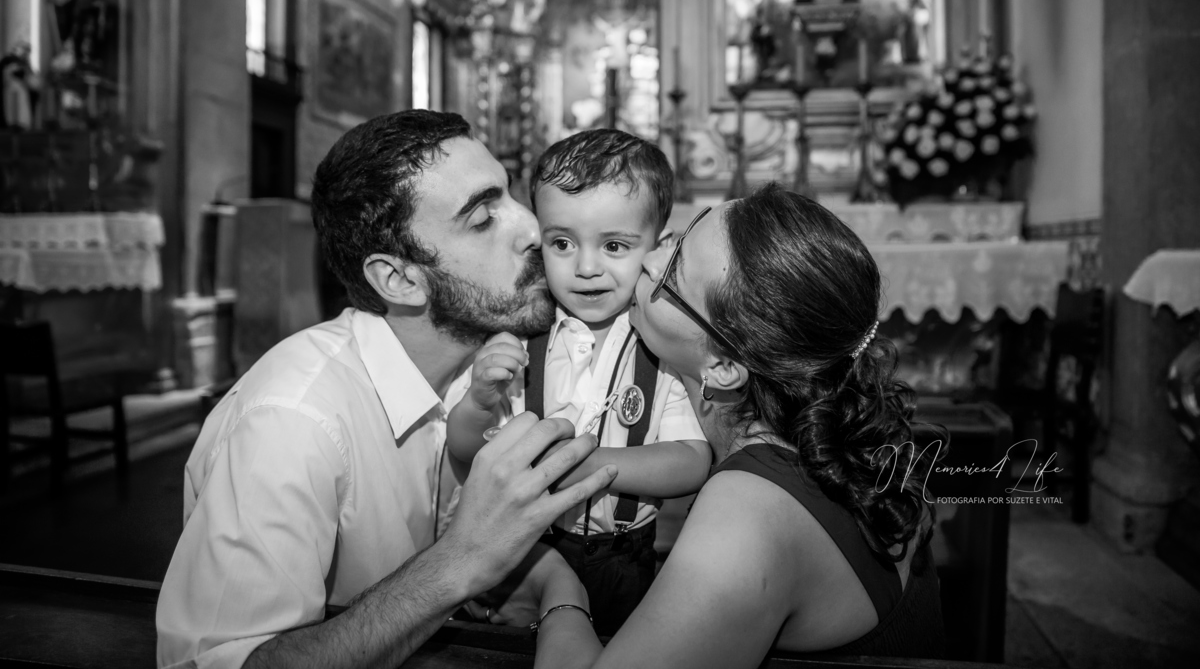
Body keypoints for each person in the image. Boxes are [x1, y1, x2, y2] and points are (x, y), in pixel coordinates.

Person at [156, 110, 617, 669]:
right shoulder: (292, 423)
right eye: (482, 218)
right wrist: (459, 563)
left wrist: (558, 589)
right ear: (399, 279)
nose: (532, 229)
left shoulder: (494, 369)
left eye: (511, 195)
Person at [526, 183, 946, 667]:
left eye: (672, 273)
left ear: (723, 367)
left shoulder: (746, 516)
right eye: (676, 240)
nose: (647, 261)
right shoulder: (841, 443)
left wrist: (555, 587)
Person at [445, 129, 710, 635]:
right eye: (562, 243)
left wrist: (586, 464)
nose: (586, 268)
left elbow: (691, 462)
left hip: (623, 558)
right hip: (527, 552)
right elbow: (464, 450)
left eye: (614, 245)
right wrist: (479, 401)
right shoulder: (520, 341)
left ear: (659, 247)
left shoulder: (662, 344)